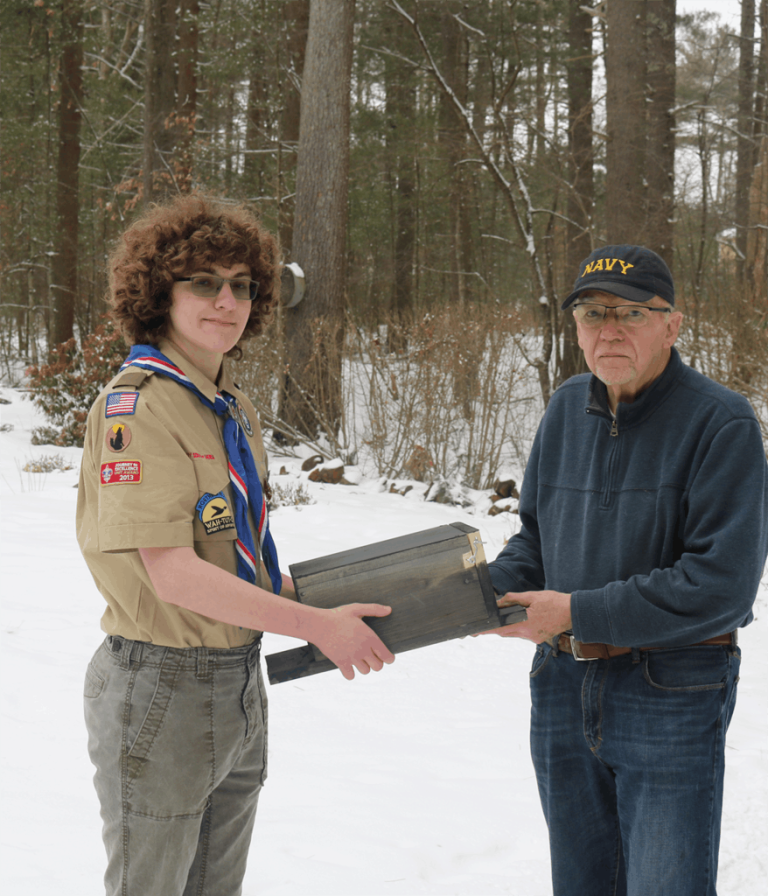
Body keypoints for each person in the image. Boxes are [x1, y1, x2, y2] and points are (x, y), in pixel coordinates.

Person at [76, 194, 395, 896]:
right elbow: (176, 577)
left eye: (242, 285)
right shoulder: (139, 407)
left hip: (236, 680)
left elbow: (235, 554)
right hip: (162, 686)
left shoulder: (228, 407)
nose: (227, 300)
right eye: (204, 282)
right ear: (160, 292)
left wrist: (350, 598)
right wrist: (316, 628)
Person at [484, 244, 768, 896]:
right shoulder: (563, 412)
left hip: (670, 690)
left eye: (631, 313)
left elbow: (720, 587)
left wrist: (579, 612)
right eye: (592, 313)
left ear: (672, 324)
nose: (609, 329)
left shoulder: (720, 423)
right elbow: (535, 538)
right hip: (561, 683)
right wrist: (487, 592)